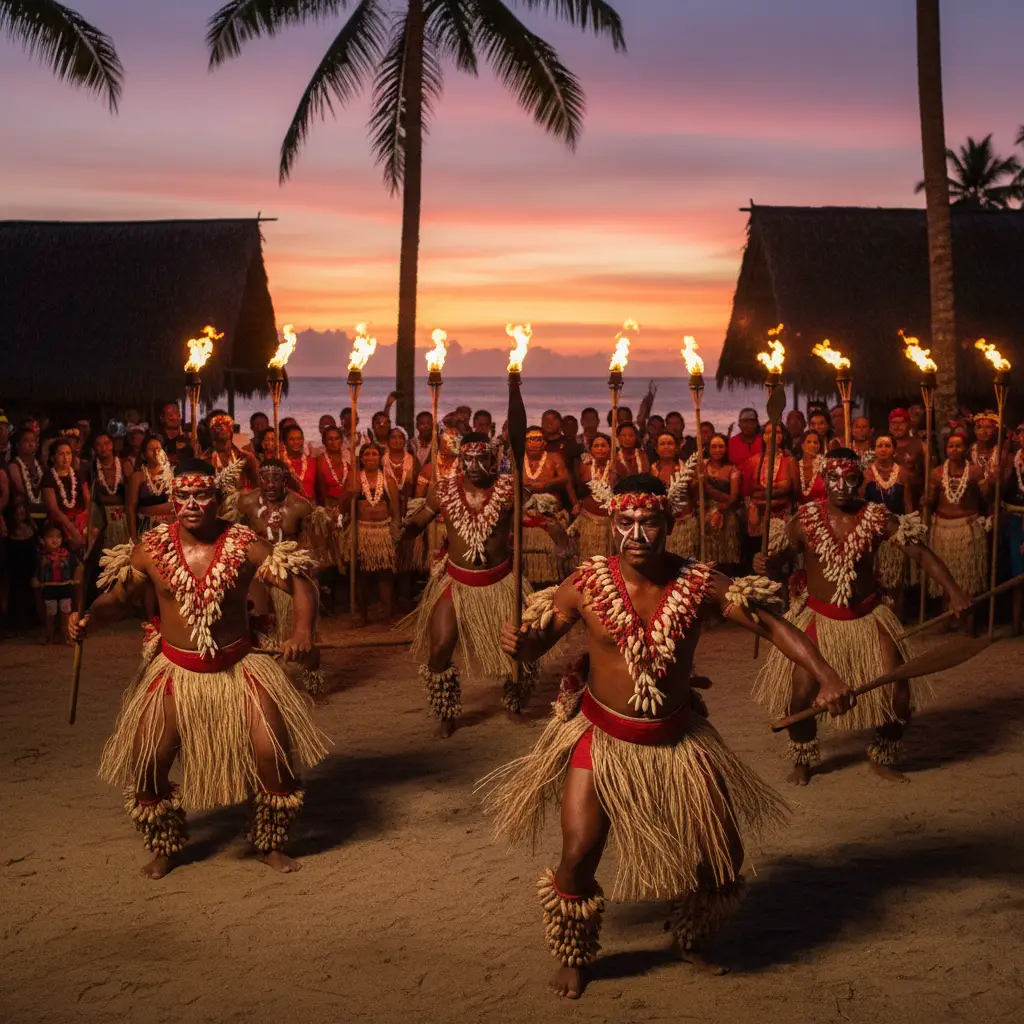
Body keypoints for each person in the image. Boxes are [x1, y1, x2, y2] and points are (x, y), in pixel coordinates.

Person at [485, 475, 857, 997]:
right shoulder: (585, 583)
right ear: (612, 523)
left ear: (669, 523)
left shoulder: (701, 583)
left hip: (678, 736)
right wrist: (518, 644)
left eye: (649, 521)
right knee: (578, 854)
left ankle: (691, 937)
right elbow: (534, 648)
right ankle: (575, 953)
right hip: (602, 736)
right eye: (625, 522)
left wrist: (827, 674)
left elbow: (774, 626)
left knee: (722, 855)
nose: (637, 533)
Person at [70, 459, 327, 878]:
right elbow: (116, 600)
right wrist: (87, 620)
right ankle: (165, 846)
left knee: (272, 754)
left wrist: (302, 631)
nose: (191, 503)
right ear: (172, 499)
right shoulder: (151, 549)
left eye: (201, 494)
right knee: (148, 759)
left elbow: (301, 582)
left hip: (239, 665)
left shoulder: (244, 544)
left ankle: (271, 843)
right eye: (183, 495)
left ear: (219, 498)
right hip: (175, 669)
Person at [753, 449, 969, 784]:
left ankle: (883, 754)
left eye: (850, 478)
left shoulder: (878, 517)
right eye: (834, 478)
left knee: (898, 692)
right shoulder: (804, 520)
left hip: (868, 615)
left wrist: (953, 590)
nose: (842, 485)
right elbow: (783, 560)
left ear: (860, 480)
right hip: (818, 617)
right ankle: (804, 758)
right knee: (799, 695)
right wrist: (768, 564)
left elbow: (922, 555)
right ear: (824, 479)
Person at [402, 432, 532, 737]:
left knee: (519, 648)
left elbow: (541, 516)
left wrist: (559, 535)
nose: (474, 465)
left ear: (493, 458)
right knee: (440, 647)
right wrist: (405, 531)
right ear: (460, 459)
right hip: (456, 580)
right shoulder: (444, 490)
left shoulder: (510, 488)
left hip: (500, 582)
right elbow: (420, 521)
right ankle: (445, 712)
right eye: (467, 458)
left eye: (481, 458)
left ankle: (514, 702)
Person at [235, 460, 326, 693]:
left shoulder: (300, 506)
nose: (271, 484)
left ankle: (311, 673)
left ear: (285, 480)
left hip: (289, 570)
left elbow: (314, 543)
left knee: (300, 627)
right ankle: (267, 675)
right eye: (266, 478)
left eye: (277, 479)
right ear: (259, 479)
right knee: (260, 621)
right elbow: (233, 535)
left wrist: (308, 570)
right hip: (257, 569)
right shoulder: (245, 503)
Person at [927, 432, 989, 622]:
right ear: (946, 449)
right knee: (943, 577)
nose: (954, 449)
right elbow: (930, 501)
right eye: (951, 446)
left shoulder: (976, 472)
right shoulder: (937, 473)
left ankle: (970, 622)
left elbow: (986, 498)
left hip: (967, 527)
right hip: (942, 529)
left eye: (958, 446)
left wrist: (991, 482)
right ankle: (946, 619)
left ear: (965, 449)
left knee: (969, 578)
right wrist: (925, 498)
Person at [344, 442, 400, 626]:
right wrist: (350, 495)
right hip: (362, 531)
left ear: (380, 457)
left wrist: (395, 531)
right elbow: (343, 507)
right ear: (361, 458)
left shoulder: (388, 480)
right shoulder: (354, 480)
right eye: (366, 454)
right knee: (362, 575)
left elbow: (395, 510)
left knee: (385, 574)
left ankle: (387, 614)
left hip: (383, 531)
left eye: (374, 454)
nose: (370, 458)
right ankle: (363, 615)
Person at [862, 435, 914, 599]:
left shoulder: (902, 473)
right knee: (874, 577)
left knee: (895, 578)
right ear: (874, 450)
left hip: (895, 531)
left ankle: (897, 617)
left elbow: (908, 503)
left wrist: (911, 526)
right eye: (879, 445)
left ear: (894, 450)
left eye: (887, 445)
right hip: (873, 532)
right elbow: (861, 502)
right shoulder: (867, 474)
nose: (883, 449)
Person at [522, 426, 575, 586]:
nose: (534, 443)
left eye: (537, 439)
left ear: (544, 442)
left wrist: (545, 484)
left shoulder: (554, 457)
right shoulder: (517, 459)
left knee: (556, 557)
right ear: (524, 442)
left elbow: (565, 479)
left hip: (551, 514)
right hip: (524, 515)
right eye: (530, 439)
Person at [742, 423, 794, 543]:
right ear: (763, 436)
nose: (773, 435)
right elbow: (747, 491)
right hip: (757, 518)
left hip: (782, 519)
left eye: (778, 432)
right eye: (769, 432)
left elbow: (793, 491)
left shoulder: (789, 460)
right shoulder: (754, 461)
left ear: (782, 437)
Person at [32, 523, 81, 643]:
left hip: (65, 587)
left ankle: (67, 637)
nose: (54, 540)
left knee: (66, 613)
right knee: (50, 614)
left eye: (57, 537)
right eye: (50, 537)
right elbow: (36, 571)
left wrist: (76, 579)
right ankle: (49, 636)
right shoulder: (41, 556)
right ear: (43, 539)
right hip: (49, 589)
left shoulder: (68, 555)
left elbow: (77, 567)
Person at [570, 434, 616, 561]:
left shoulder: (618, 468)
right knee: (587, 559)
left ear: (610, 449)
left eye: (603, 446)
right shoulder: (583, 467)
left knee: (609, 558)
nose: (600, 449)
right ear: (590, 450)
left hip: (609, 520)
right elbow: (574, 487)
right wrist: (577, 503)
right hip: (588, 519)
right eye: (596, 446)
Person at [651, 432, 697, 558]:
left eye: (670, 443)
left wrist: (695, 483)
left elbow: (695, 496)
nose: (666, 447)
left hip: (684, 524)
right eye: (662, 444)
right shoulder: (653, 469)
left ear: (677, 447)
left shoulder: (687, 468)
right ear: (656, 448)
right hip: (661, 526)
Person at [205, 414, 260, 520]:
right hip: (216, 511)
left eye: (225, 425)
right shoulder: (206, 459)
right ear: (211, 432)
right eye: (217, 426)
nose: (221, 428)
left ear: (231, 430)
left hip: (241, 510)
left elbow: (257, 487)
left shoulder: (245, 457)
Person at [41, 439, 90, 552]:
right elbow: (53, 508)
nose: (65, 457)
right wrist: (72, 529)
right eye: (61, 454)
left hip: (80, 522)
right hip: (60, 525)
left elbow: (87, 498)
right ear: (53, 458)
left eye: (68, 453)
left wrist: (85, 519)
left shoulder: (78, 474)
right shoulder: (48, 477)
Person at [702, 433, 741, 567]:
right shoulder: (702, 465)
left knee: (725, 555)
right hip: (703, 515)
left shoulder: (732, 469)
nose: (717, 450)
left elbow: (733, 498)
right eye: (714, 447)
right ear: (708, 448)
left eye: (721, 446)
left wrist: (708, 487)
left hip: (726, 514)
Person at [1000, 423, 1024, 635]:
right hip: (1016, 521)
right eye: (1023, 433)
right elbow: (1000, 488)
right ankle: (1016, 624)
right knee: (1018, 574)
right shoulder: (1010, 460)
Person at [127, 437, 174, 544]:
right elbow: (131, 509)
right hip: (146, 529)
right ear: (143, 454)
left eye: (158, 448)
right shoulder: (138, 477)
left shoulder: (171, 473)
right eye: (151, 449)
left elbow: (175, 503)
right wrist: (133, 538)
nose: (156, 451)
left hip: (169, 529)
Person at [89, 431, 130, 549]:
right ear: (94, 448)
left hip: (124, 518)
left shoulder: (124, 464)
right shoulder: (92, 469)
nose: (103, 448)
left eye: (106, 443)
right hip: (102, 520)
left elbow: (132, 494)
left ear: (112, 445)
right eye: (99, 445)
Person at [8, 428, 47, 527]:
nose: (31, 444)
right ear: (17, 445)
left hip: (44, 513)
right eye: (26, 441)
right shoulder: (14, 466)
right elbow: (20, 490)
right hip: (23, 515)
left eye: (33, 441)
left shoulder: (41, 466)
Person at [889, 408, 925, 504]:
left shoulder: (920, 444)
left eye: (901, 423)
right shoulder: (884, 445)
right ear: (889, 426)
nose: (897, 427)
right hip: (889, 497)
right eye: (894, 423)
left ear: (909, 425)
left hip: (916, 498)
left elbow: (929, 472)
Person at [281, 425, 318, 501]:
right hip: (288, 507)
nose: (296, 442)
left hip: (309, 507)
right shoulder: (281, 463)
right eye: (291, 439)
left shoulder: (311, 462)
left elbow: (317, 489)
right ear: (285, 442)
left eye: (299, 439)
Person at [795, 430, 827, 503]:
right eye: (809, 442)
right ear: (802, 445)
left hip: (822, 508)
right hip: (801, 510)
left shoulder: (825, 463)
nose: (812, 445)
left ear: (819, 446)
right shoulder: (796, 464)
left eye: (815, 443)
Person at [157, 401, 192, 466]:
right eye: (170, 414)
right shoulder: (157, 441)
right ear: (162, 418)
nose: (174, 416)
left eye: (176, 412)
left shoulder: (189, 437)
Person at [970, 411, 1000, 481]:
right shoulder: (971, 451)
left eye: (988, 427)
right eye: (979, 427)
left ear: (995, 430)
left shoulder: (1000, 451)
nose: (983, 430)